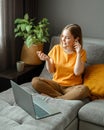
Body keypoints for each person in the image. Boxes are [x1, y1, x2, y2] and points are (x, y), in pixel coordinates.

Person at [32, 24, 90, 100]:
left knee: (84, 90)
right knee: (35, 81)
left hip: (72, 88)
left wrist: (78, 53)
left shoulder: (82, 53)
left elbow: (77, 72)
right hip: (56, 85)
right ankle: (61, 97)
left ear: (76, 39)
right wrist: (47, 60)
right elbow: (51, 70)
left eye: (67, 38)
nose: (63, 39)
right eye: (62, 36)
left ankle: (56, 98)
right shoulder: (56, 48)